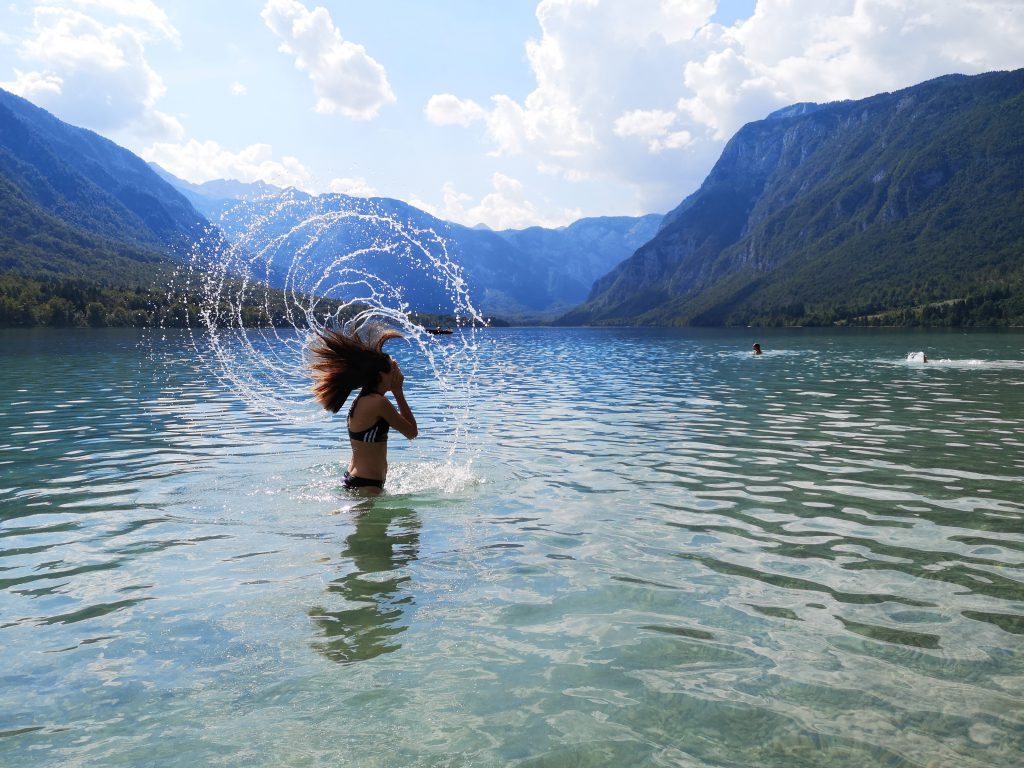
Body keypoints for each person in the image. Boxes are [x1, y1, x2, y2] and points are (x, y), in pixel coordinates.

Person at [309, 322, 418, 494]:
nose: (398, 373)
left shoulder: (363, 400)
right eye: (394, 369)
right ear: (382, 375)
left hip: (358, 480)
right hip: (367, 485)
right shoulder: (377, 403)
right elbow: (411, 432)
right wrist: (398, 392)